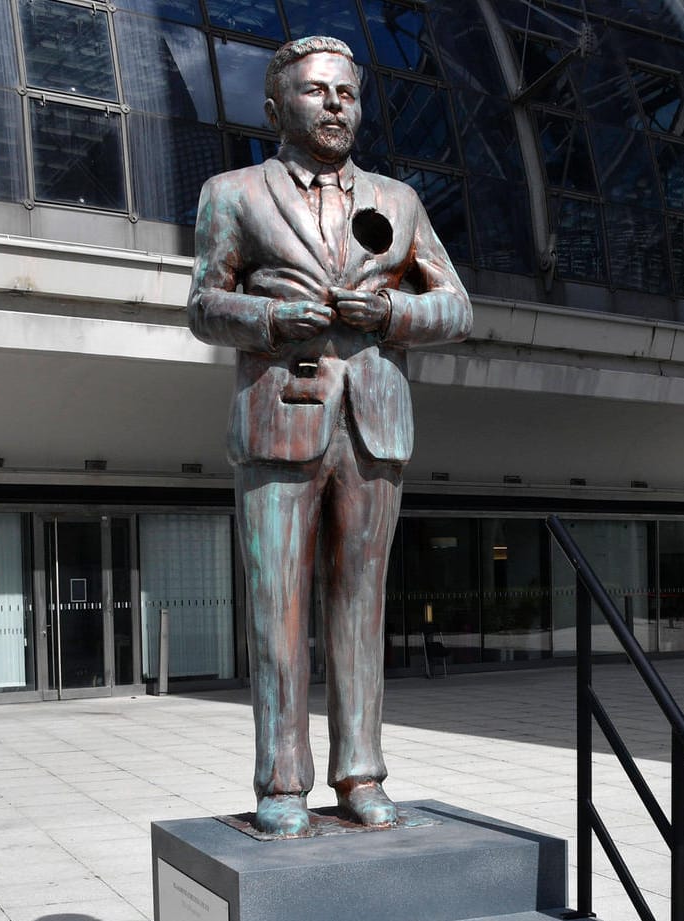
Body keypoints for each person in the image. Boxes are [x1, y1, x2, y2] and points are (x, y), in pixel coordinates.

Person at [187, 35, 471, 837]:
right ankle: (282, 782)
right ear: (277, 109)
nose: (337, 104)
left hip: (374, 424)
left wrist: (393, 314)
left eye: (347, 91)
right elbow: (205, 304)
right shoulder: (232, 192)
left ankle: (360, 773)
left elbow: (457, 306)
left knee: (361, 609)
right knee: (277, 610)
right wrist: (272, 318)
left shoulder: (399, 199)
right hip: (282, 414)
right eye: (318, 92)